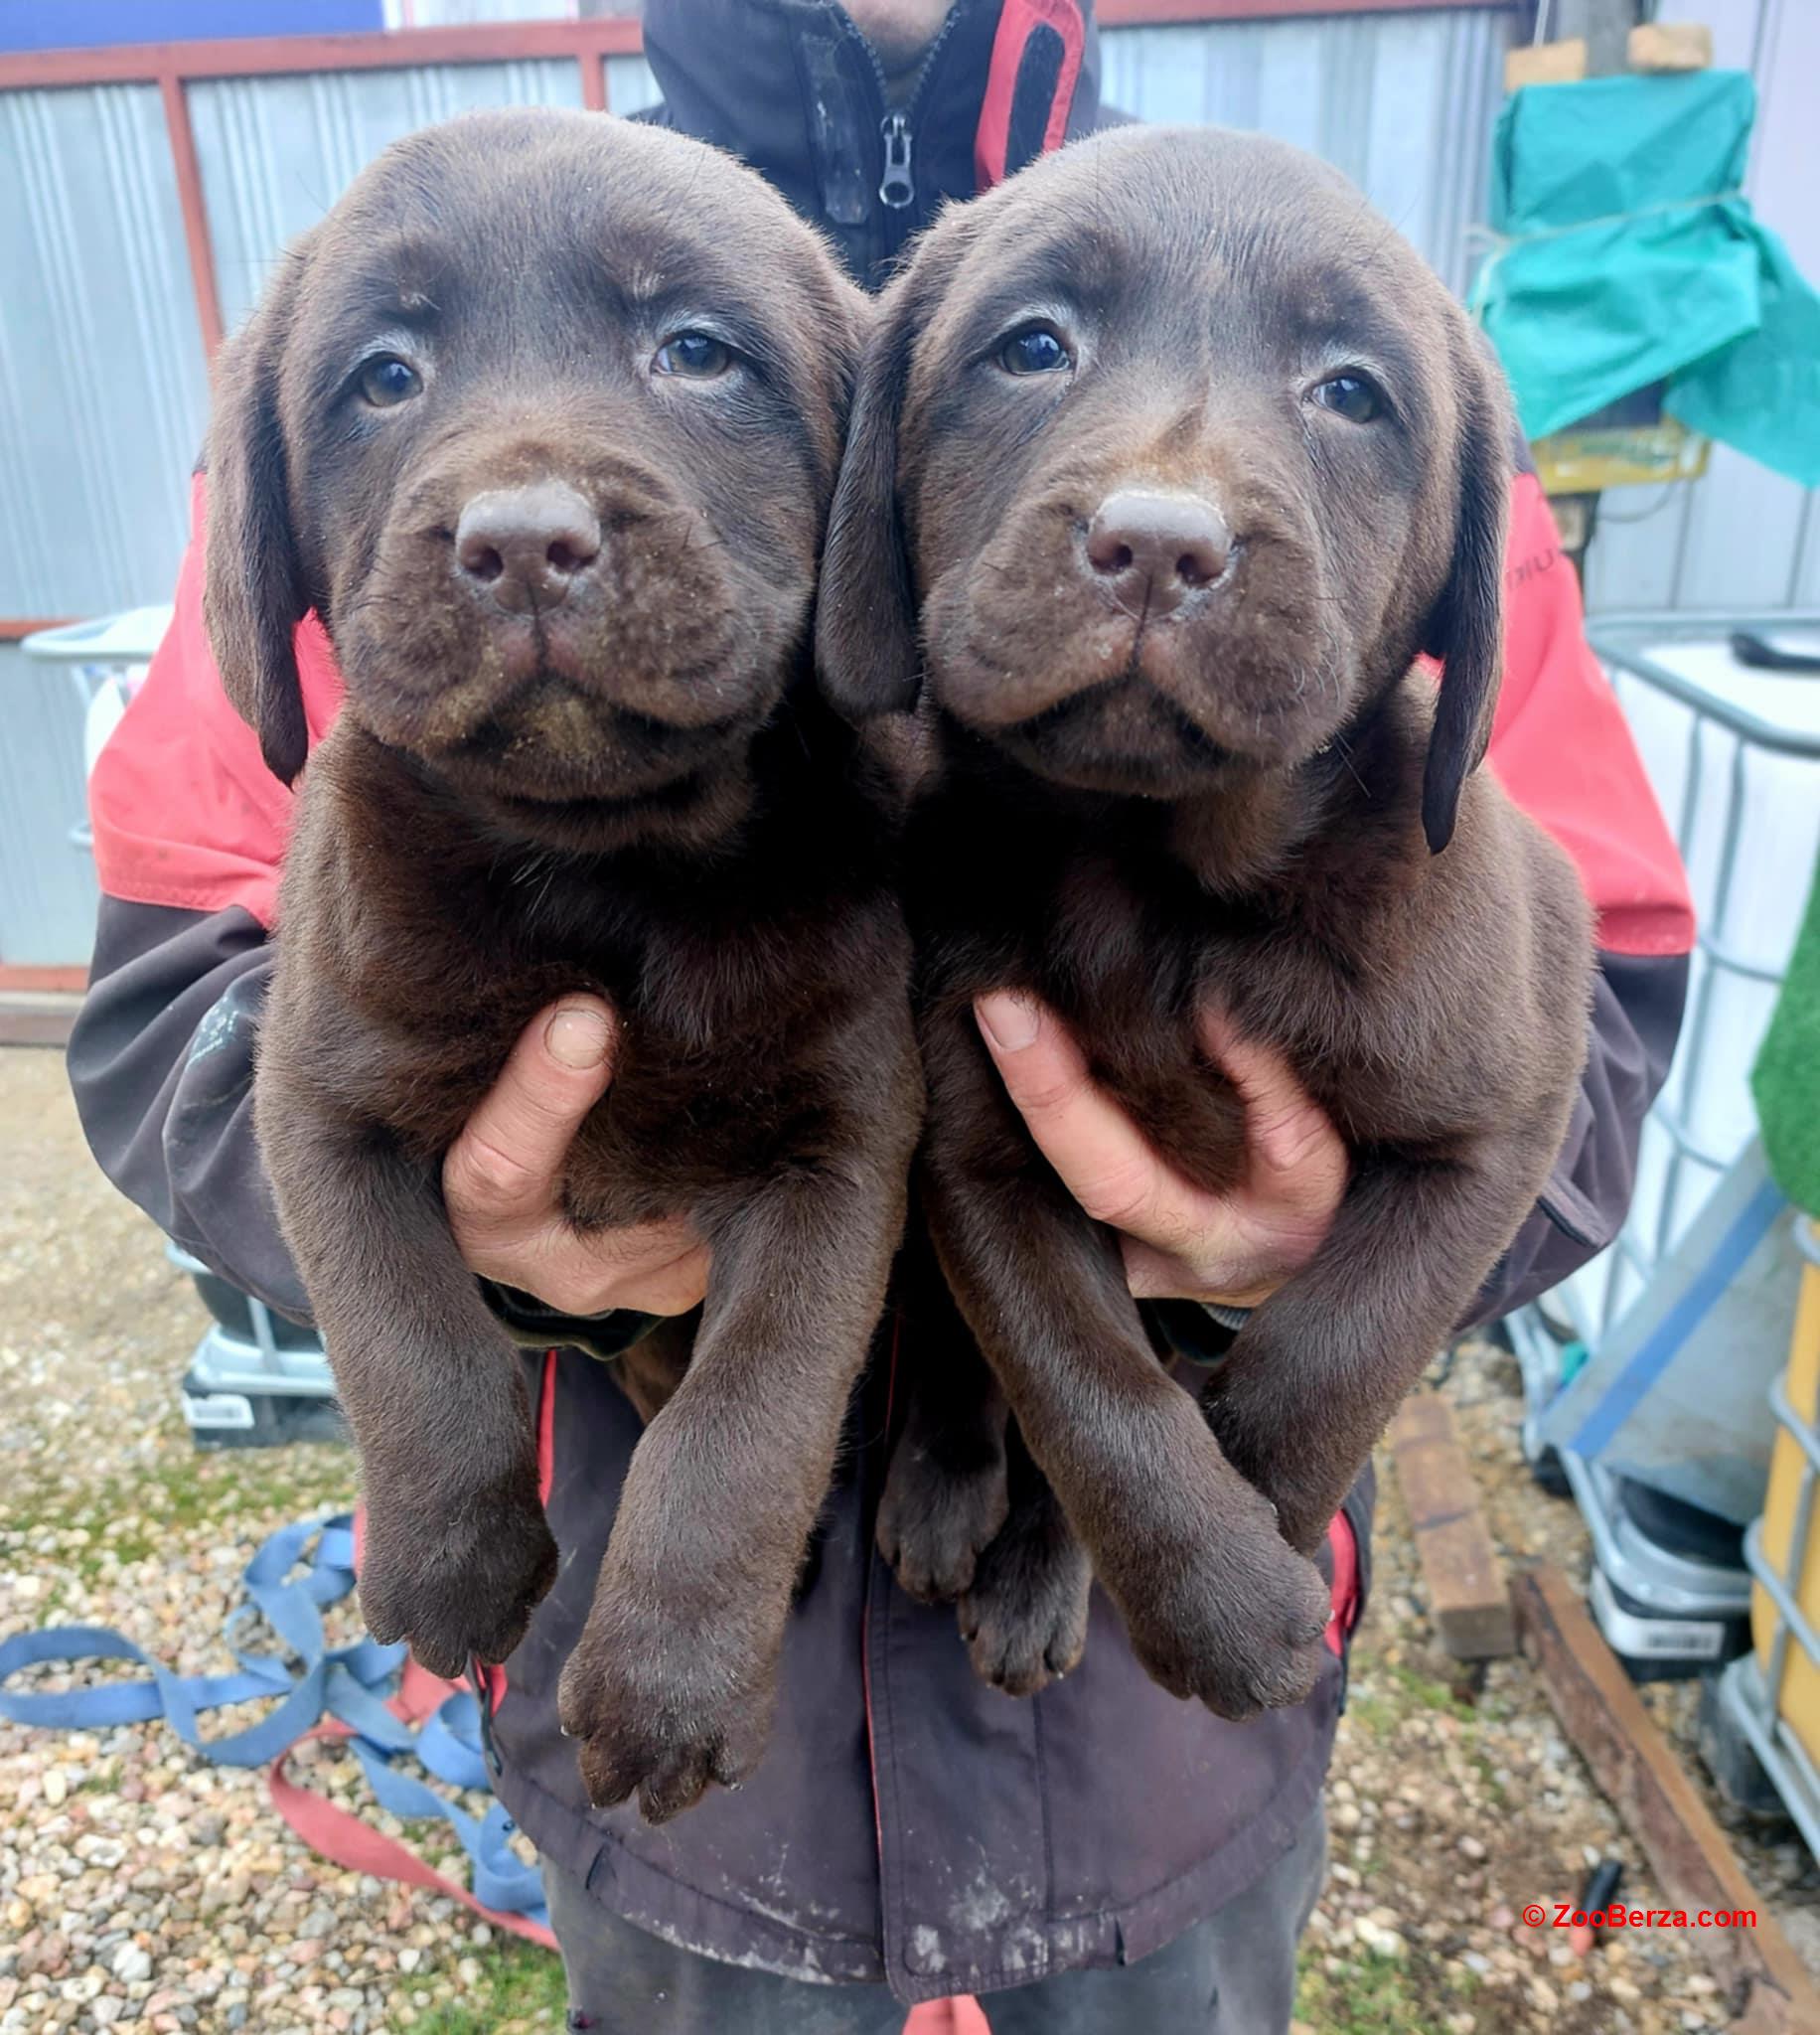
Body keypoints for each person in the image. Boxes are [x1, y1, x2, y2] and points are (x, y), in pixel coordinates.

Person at [67, 2, 1696, 2029]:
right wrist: (470, 1249)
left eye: (693, 359)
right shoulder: (414, 275)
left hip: (1147, 1735)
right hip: (653, 1710)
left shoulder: (1357, 332)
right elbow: (164, 1007)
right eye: (1030, 352)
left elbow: (1599, 1013)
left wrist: (1297, 1283)